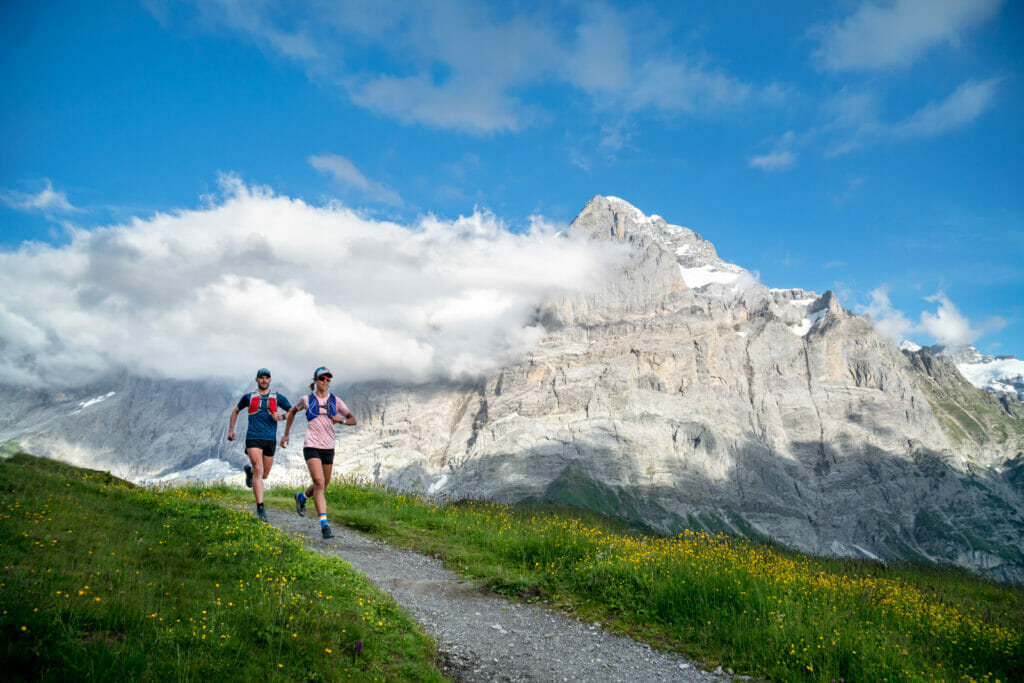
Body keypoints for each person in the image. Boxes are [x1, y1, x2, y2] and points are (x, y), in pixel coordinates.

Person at [281, 366, 356, 539]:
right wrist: (286, 434)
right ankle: (324, 525)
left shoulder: (336, 401)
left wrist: (341, 421)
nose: (325, 381)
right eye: (322, 378)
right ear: (315, 381)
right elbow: (292, 411)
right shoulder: (306, 399)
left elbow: (353, 420)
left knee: (323, 484)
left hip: (328, 447)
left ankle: (302, 496)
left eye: (328, 379)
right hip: (311, 445)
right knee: (319, 482)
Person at [228, 368, 292, 522]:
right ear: (256, 380)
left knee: (264, 474)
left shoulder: (278, 398)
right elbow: (236, 410)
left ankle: (248, 471)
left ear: (270, 380)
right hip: (253, 437)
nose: (264, 380)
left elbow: (292, 411)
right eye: (261, 378)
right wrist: (231, 429)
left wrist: (282, 416)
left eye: (266, 378)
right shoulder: (249, 397)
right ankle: (260, 507)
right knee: (259, 469)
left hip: (270, 439)